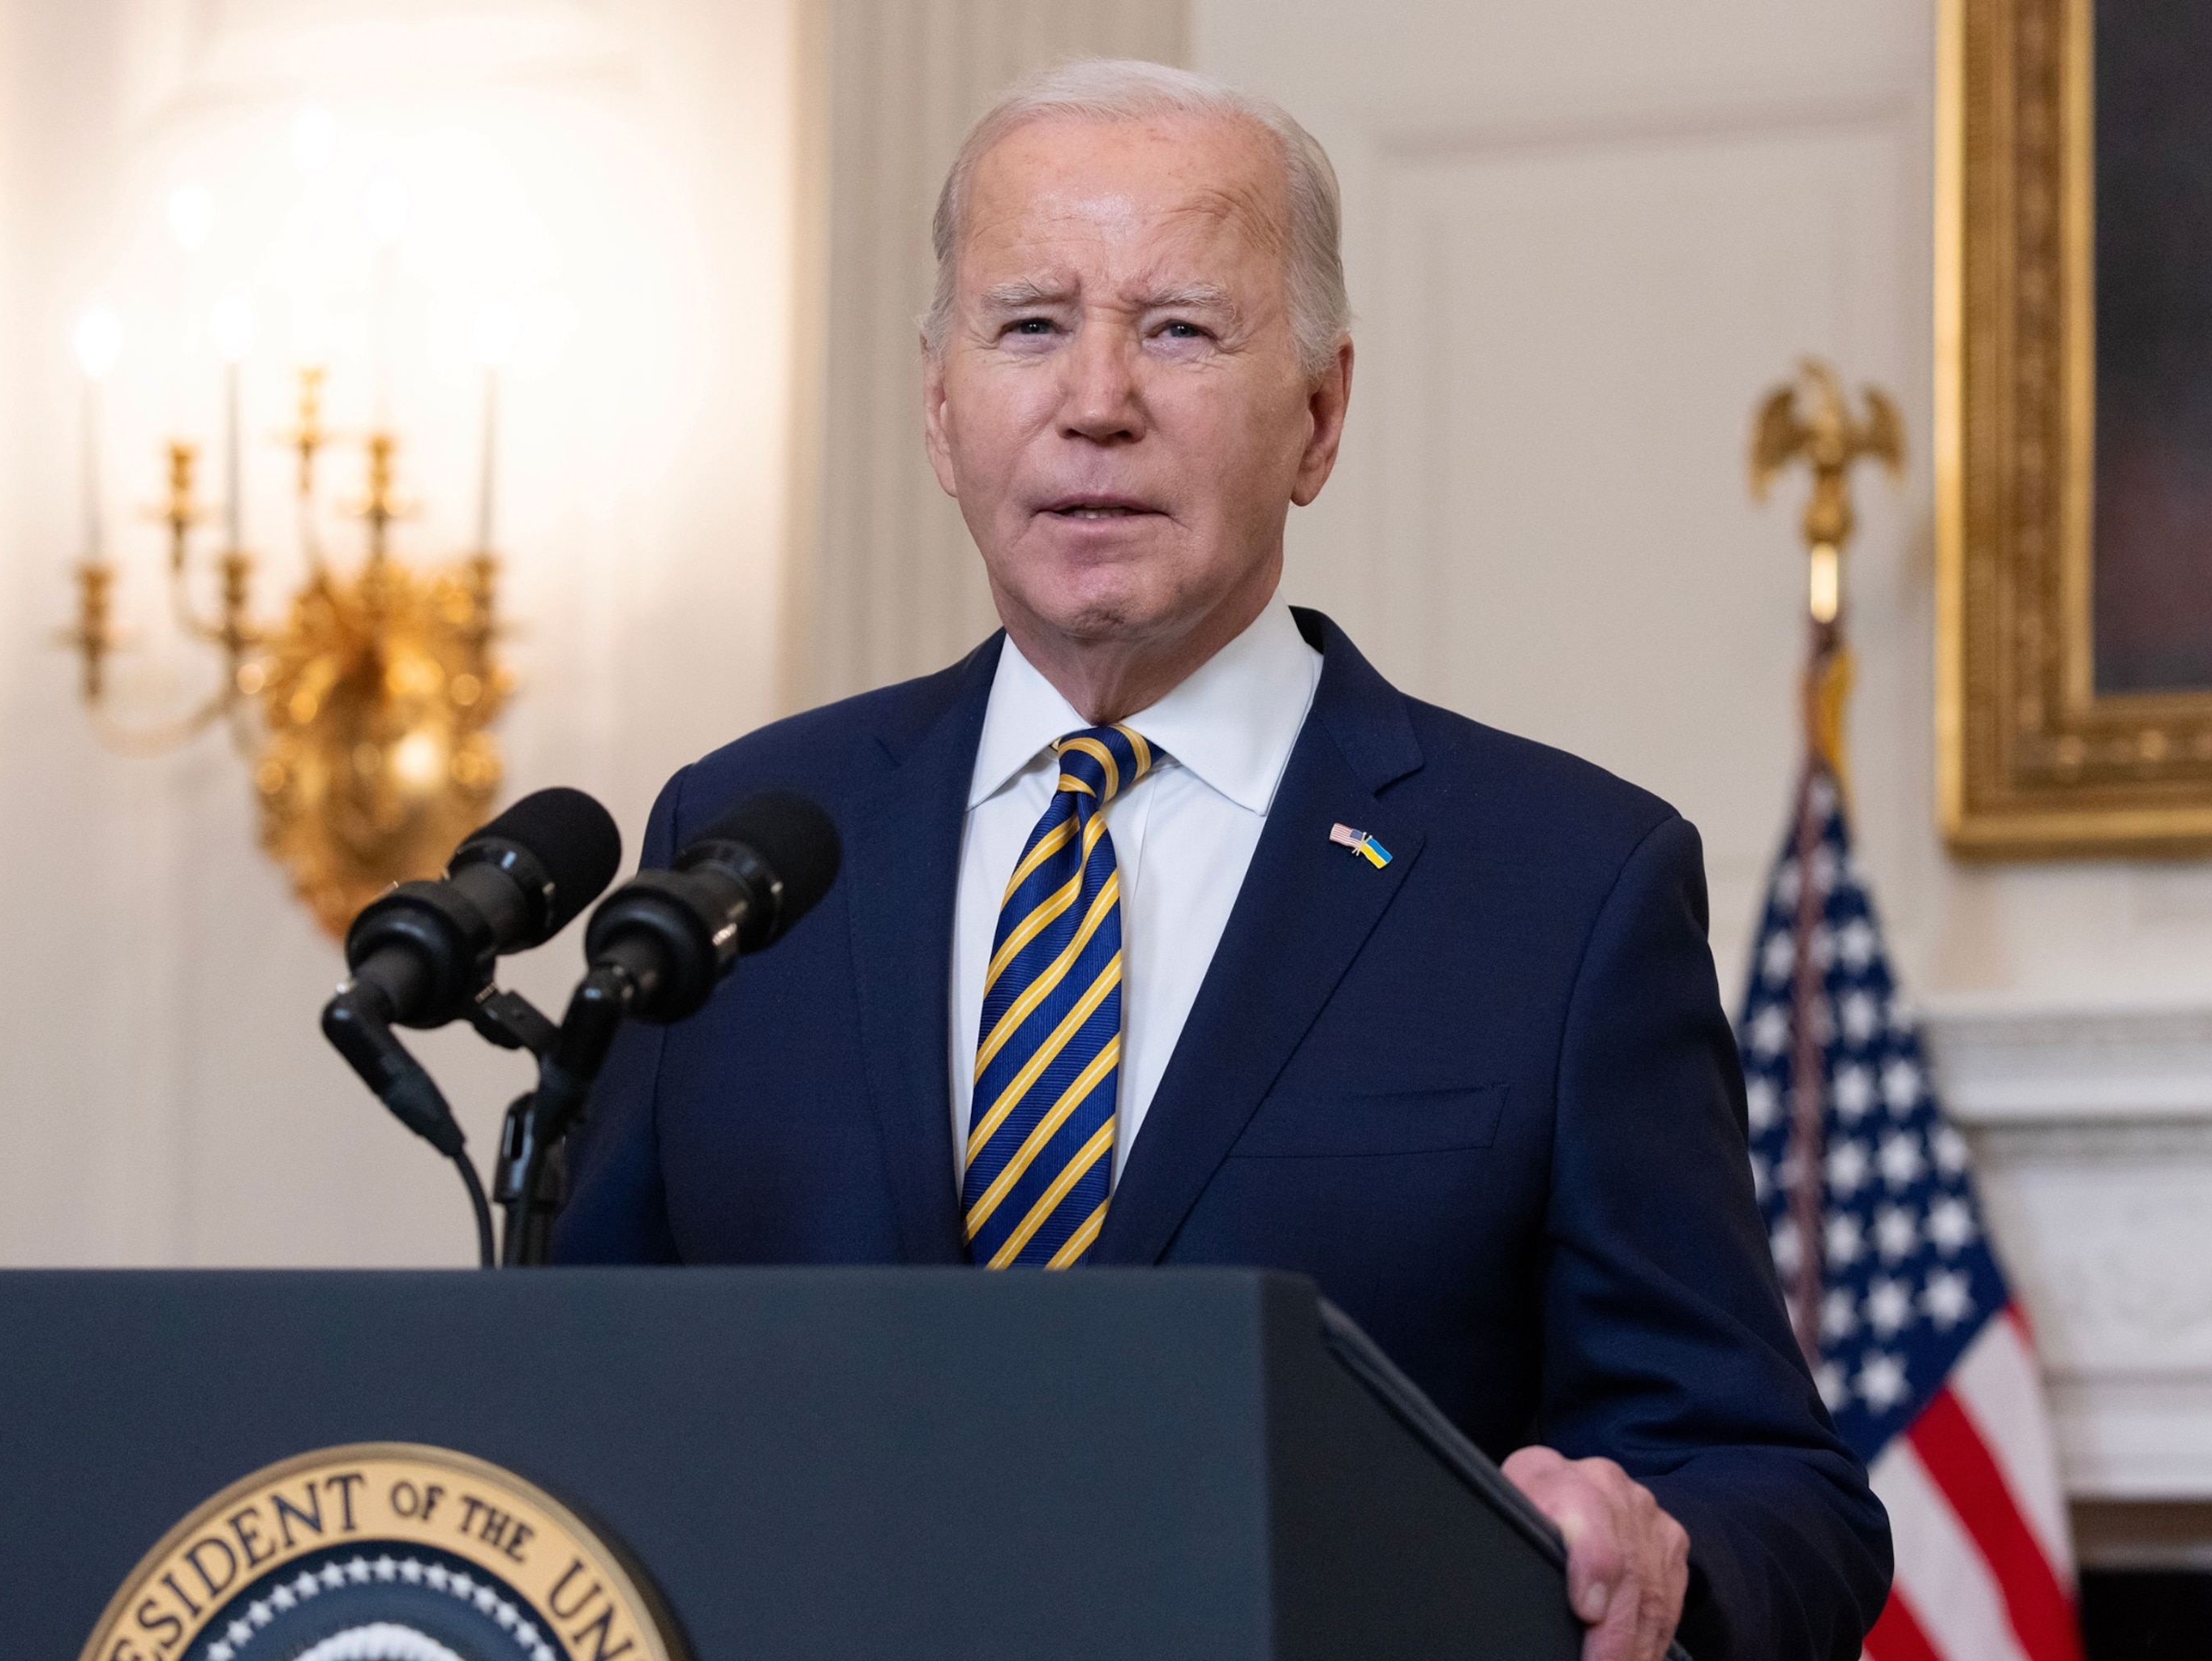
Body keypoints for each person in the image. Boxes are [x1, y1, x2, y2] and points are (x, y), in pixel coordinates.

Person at [554, 58, 1889, 1661]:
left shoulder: (1563, 887)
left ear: (1319, 414)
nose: (1096, 396)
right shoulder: (751, 838)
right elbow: (584, 1391)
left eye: (1179, 327)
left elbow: (1774, 1485)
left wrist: (1658, 1546)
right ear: (938, 406)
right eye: (1029, 323)